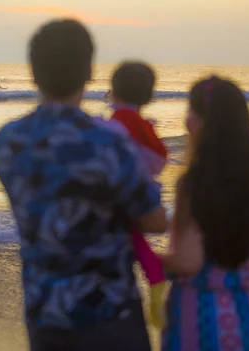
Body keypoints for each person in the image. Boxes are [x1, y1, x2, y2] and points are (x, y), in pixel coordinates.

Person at [0, 19, 168, 351]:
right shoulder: (109, 144)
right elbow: (155, 220)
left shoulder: (8, 141)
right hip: (110, 313)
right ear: (90, 71)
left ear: (32, 72)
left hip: (45, 311)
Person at [159, 76, 249, 351]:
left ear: (201, 122)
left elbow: (188, 261)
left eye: (190, 111)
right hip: (248, 318)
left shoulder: (194, 183)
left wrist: (134, 249)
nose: (185, 121)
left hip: (198, 320)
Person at [101, 61, 169, 329]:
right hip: (140, 190)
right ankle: (155, 280)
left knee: (132, 237)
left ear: (113, 91)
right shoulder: (139, 124)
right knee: (136, 240)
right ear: (149, 96)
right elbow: (161, 158)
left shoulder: (119, 122)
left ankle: (155, 279)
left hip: (126, 190)